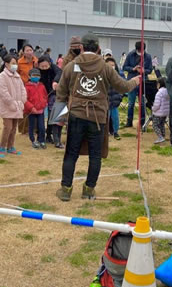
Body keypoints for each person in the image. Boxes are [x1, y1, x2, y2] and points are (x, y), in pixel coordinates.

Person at [56, 33, 139, 201]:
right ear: (99, 49)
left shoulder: (71, 66)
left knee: (71, 154)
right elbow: (122, 87)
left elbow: (61, 92)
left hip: (76, 115)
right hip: (98, 117)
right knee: (95, 155)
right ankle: (88, 189)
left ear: (81, 48)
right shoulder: (106, 67)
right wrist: (136, 81)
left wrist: (60, 117)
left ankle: (66, 189)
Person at [0, 54, 27, 157]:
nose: (15, 65)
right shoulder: (2, 76)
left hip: (17, 106)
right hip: (7, 107)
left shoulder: (17, 76)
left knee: (14, 128)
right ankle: (2, 147)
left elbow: (23, 89)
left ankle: (10, 146)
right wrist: (11, 103)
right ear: (6, 64)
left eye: (16, 63)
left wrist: (22, 101)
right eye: (13, 63)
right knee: (7, 127)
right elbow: (3, 92)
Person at [122, 41, 153, 128]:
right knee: (131, 103)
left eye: (141, 50)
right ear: (136, 49)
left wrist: (144, 70)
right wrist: (133, 69)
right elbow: (124, 67)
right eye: (139, 50)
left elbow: (150, 69)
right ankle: (129, 121)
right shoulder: (130, 55)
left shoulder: (148, 57)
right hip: (132, 81)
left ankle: (142, 122)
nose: (140, 51)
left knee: (142, 103)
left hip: (143, 82)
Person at [38, 55, 63, 146]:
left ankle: (49, 134)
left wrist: (55, 81)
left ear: (49, 63)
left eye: (46, 66)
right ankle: (41, 135)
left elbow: (60, 72)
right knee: (40, 114)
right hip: (42, 93)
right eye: (42, 67)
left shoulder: (54, 68)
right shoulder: (37, 70)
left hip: (53, 93)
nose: (44, 68)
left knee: (51, 114)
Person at [24, 68, 48, 149]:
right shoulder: (27, 87)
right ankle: (33, 140)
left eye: (38, 76)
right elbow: (25, 99)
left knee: (41, 126)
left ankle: (41, 140)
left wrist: (44, 104)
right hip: (31, 111)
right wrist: (31, 107)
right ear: (29, 76)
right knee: (32, 126)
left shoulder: (42, 86)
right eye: (34, 75)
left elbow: (45, 96)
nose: (36, 77)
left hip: (40, 110)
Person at [106, 57, 123, 140]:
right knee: (106, 118)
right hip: (106, 102)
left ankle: (116, 131)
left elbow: (120, 87)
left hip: (115, 100)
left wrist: (120, 97)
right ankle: (106, 132)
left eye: (113, 65)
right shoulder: (103, 75)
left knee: (115, 117)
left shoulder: (117, 75)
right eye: (109, 65)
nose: (111, 67)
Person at [152, 77, 169, 144]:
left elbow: (157, 105)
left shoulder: (159, 93)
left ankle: (160, 137)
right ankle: (163, 136)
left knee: (155, 125)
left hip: (158, 113)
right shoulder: (168, 91)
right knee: (162, 125)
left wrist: (153, 108)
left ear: (159, 84)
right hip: (165, 113)